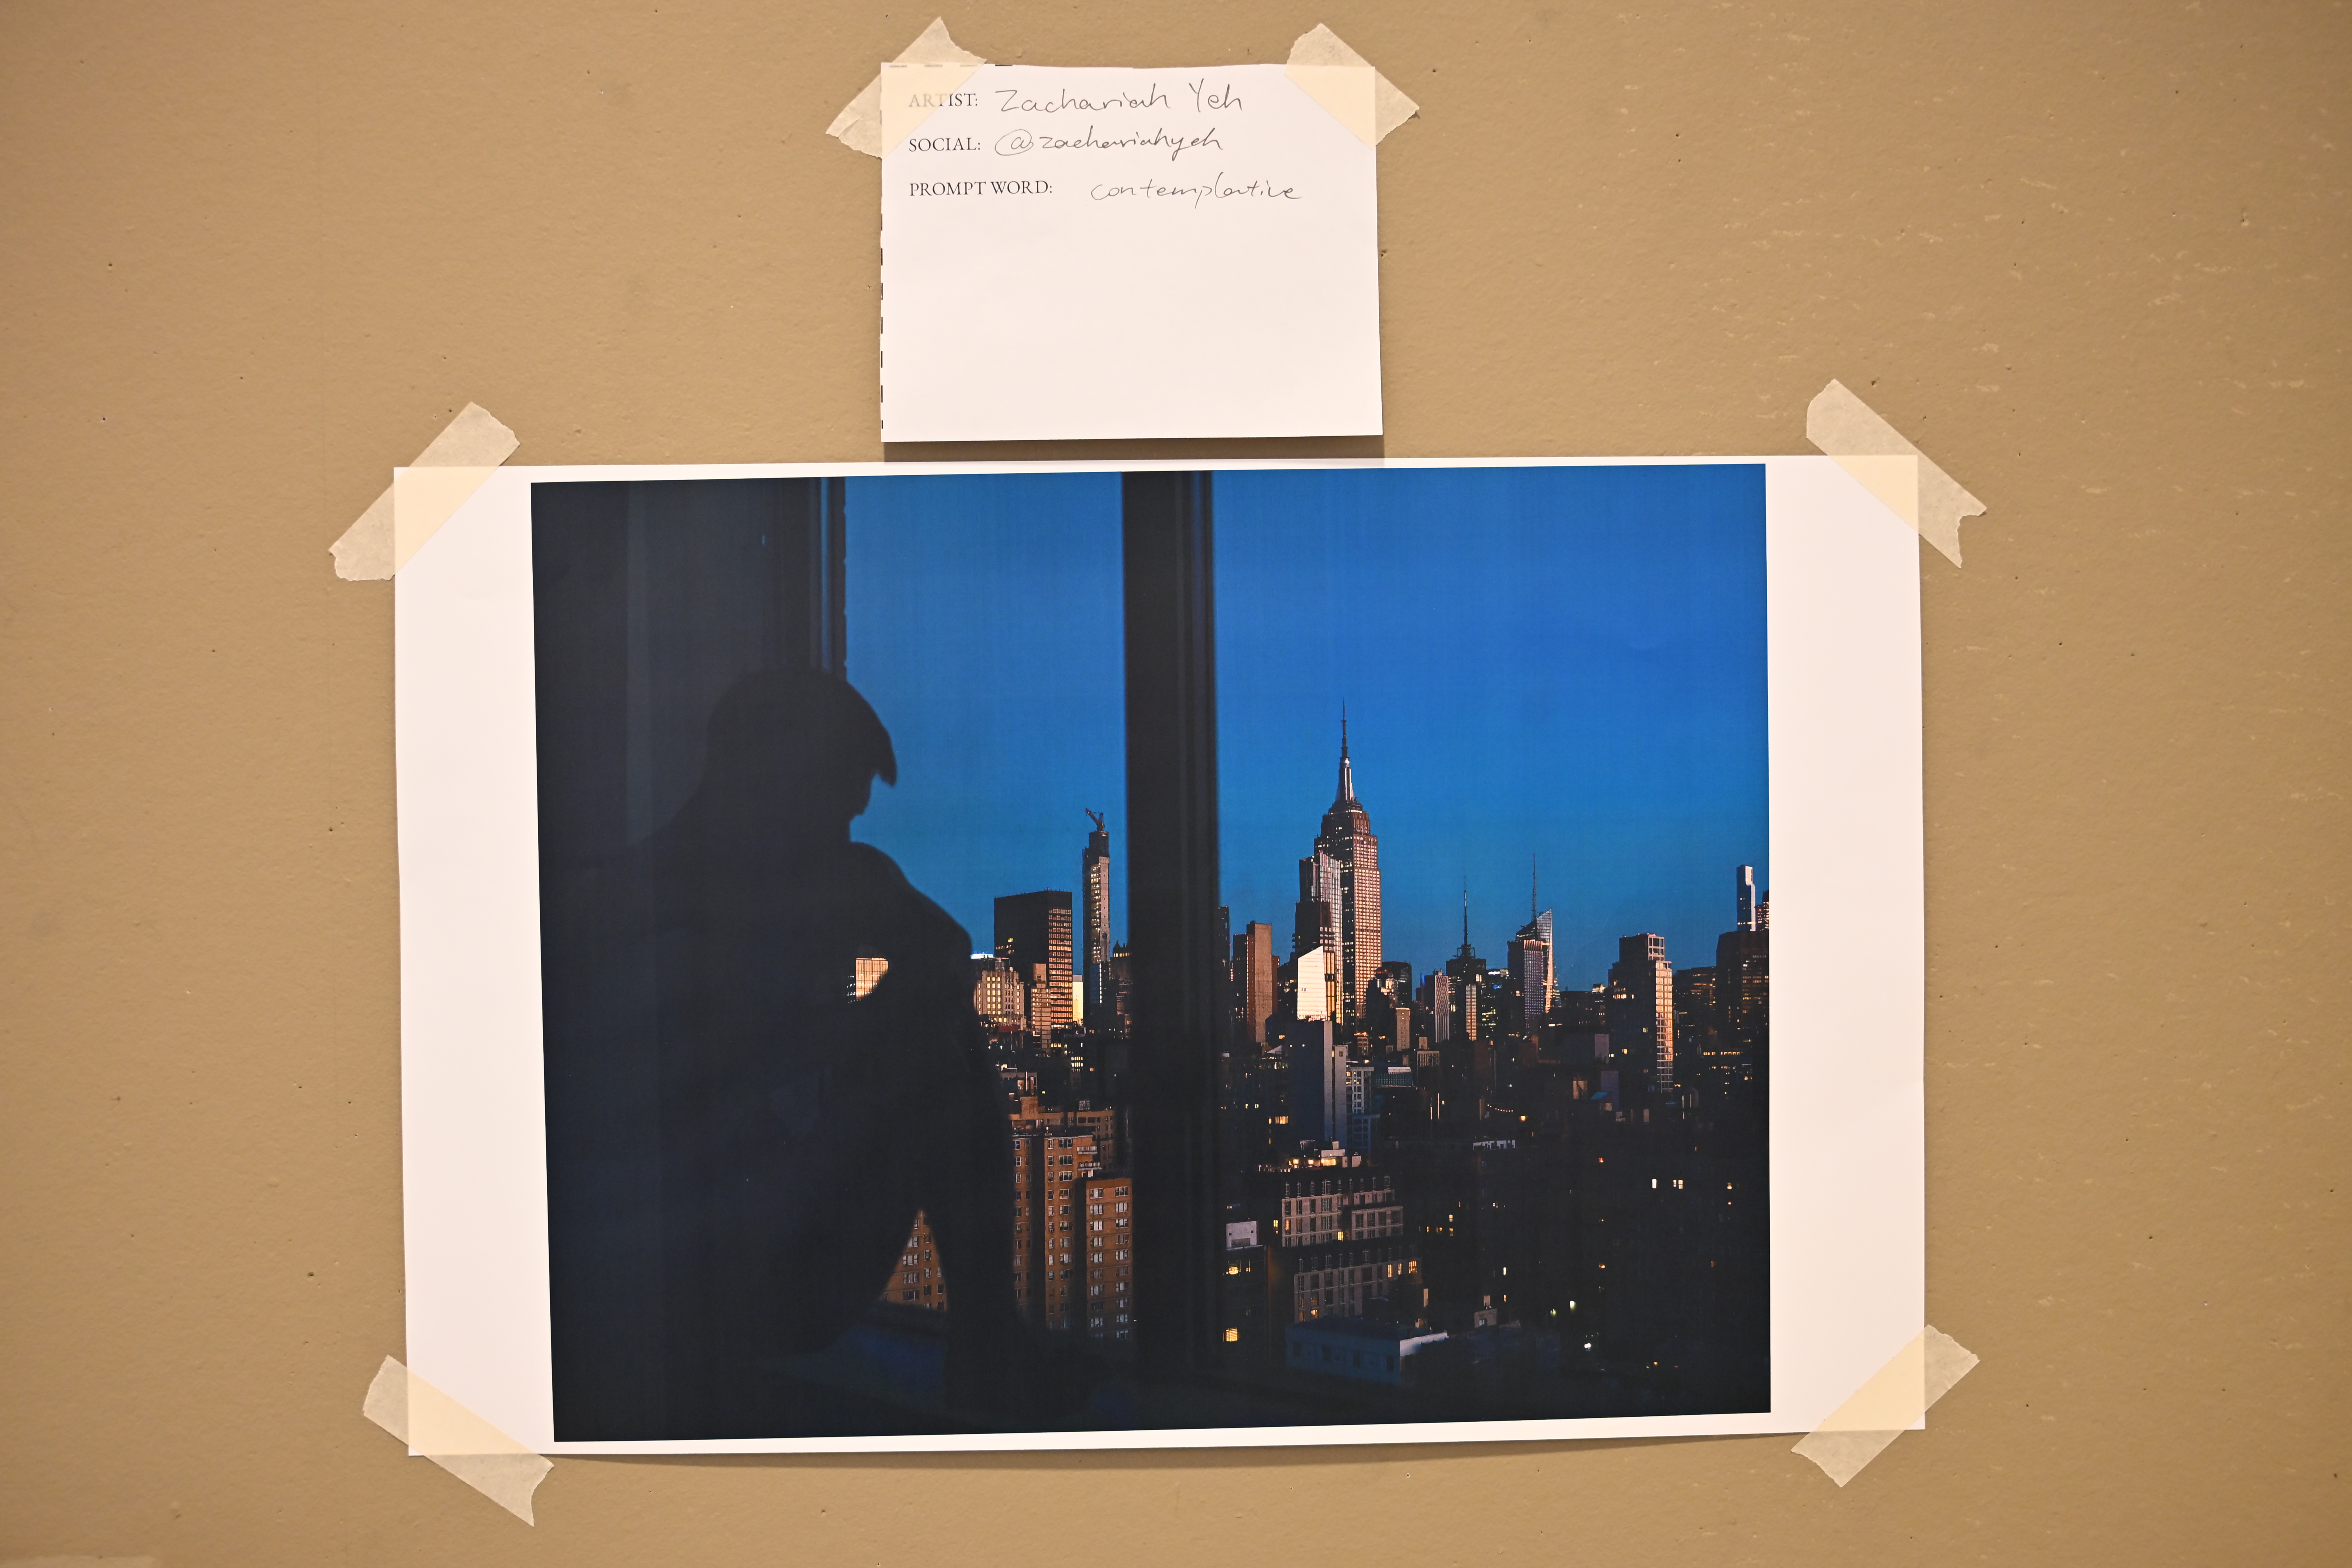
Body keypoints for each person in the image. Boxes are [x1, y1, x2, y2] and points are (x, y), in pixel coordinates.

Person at [546, 668, 1028, 1435]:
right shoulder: (622, 911)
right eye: (831, 806)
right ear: (765, 778)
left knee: (935, 1036)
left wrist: (841, 1043)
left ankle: (989, 1335)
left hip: (778, 1254)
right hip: (669, 1284)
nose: (842, 832)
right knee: (930, 1044)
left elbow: (945, 949)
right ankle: (989, 1336)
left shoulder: (833, 878)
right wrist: (842, 1044)